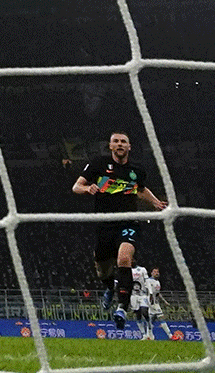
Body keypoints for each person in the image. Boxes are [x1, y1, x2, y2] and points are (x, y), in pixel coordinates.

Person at [72, 131, 167, 330]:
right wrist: (87, 189)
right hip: (104, 223)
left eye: (123, 141)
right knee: (102, 269)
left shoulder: (136, 170)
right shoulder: (98, 164)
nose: (120, 144)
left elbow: (140, 190)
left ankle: (122, 308)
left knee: (124, 258)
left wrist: (156, 202)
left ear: (129, 147)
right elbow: (76, 187)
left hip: (128, 222)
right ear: (110, 146)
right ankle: (109, 287)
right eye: (116, 141)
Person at [146, 267, 173, 340]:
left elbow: (158, 293)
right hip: (150, 302)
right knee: (151, 319)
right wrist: (151, 303)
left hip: (156, 302)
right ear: (151, 273)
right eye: (154, 272)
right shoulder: (148, 280)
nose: (156, 273)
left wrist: (164, 301)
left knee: (157, 318)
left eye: (157, 272)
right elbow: (150, 292)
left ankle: (169, 335)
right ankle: (149, 336)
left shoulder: (158, 282)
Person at [131, 263, 151, 338]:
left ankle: (149, 330)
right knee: (138, 314)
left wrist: (150, 292)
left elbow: (147, 281)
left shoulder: (142, 269)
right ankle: (144, 334)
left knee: (144, 311)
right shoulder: (127, 270)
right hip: (133, 296)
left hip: (143, 295)